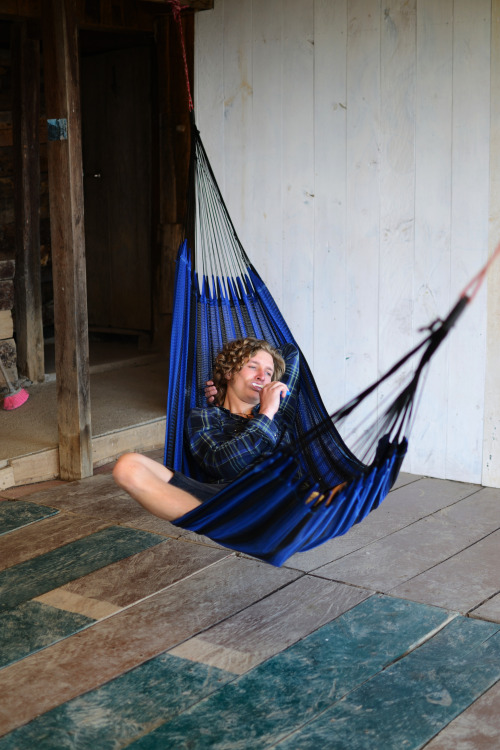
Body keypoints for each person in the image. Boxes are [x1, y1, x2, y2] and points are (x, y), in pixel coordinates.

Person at [112, 337, 300, 522]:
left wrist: (268, 411)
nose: (262, 376)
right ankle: (215, 518)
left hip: (275, 491)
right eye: (252, 367)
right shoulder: (205, 417)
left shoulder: (279, 415)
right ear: (229, 372)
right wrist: (265, 414)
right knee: (128, 466)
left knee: (316, 495)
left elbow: (291, 352)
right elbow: (222, 463)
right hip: (223, 499)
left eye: (268, 373)